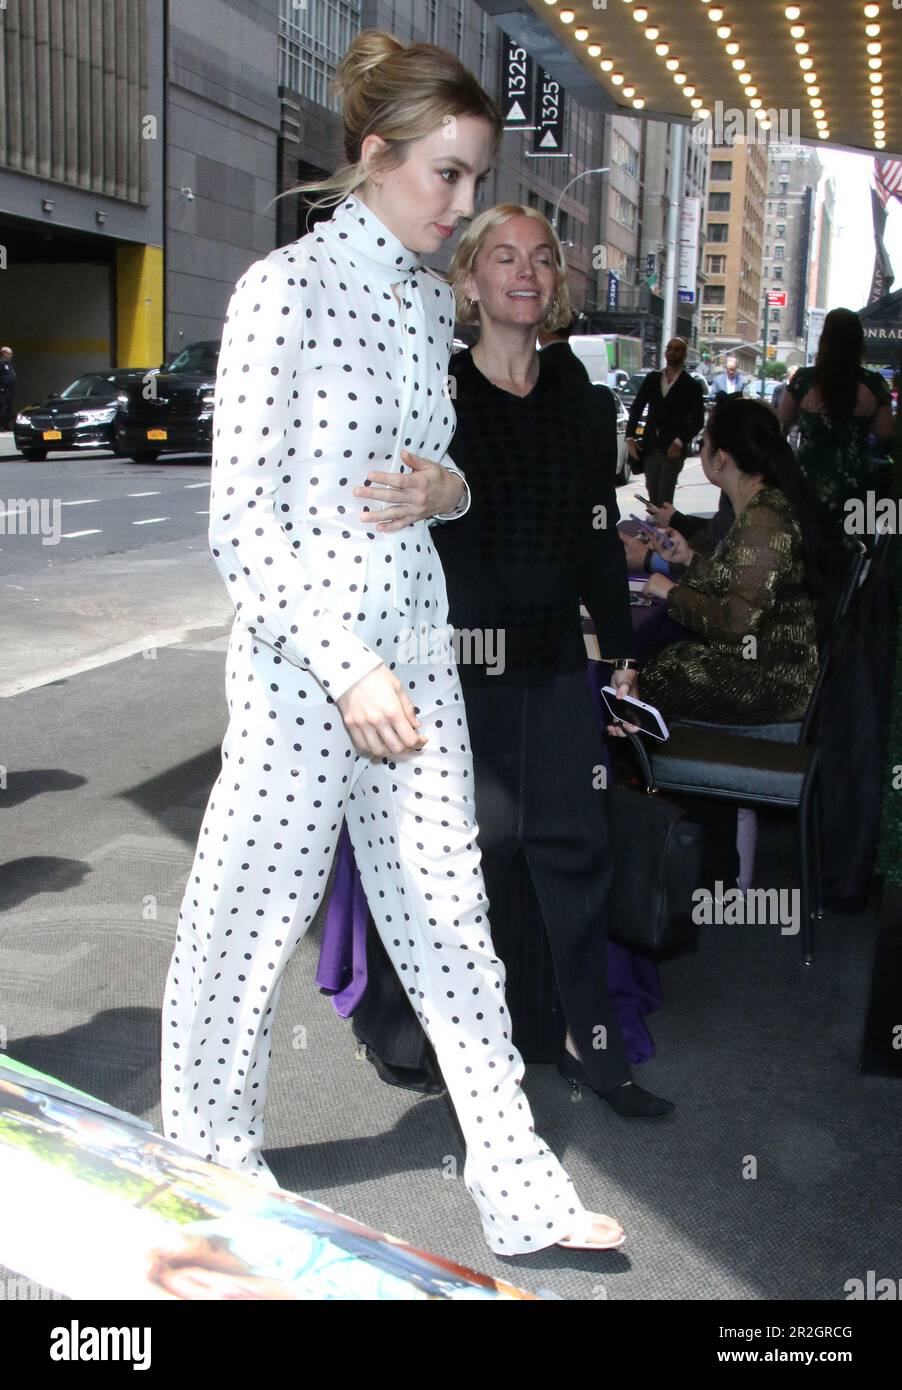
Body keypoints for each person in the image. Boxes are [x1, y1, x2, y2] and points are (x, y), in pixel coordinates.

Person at [160, 30, 625, 1256]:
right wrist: (343, 661)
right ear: (374, 160)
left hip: (417, 646)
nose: (463, 206)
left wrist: (447, 493)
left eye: (474, 178)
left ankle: (515, 1190)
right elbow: (239, 524)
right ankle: (207, 1159)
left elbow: (445, 476)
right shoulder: (281, 291)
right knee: (244, 921)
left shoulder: (428, 306)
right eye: (448, 177)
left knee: (452, 924)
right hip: (305, 665)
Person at [352, 204, 673, 1121]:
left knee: (577, 854)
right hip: (449, 668)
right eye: (504, 257)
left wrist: (617, 657)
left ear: (557, 282)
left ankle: (587, 1045)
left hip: (549, 663)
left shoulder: (583, 400)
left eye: (541, 259)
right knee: (468, 861)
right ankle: (434, 1043)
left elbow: (597, 540)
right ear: (470, 281)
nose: (525, 273)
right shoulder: (436, 391)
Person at [639, 396, 819, 726]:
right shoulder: (761, 505)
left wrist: (670, 591)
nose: (702, 448)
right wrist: (689, 559)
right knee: (658, 657)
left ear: (721, 459)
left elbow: (736, 625)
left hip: (773, 681)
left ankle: (636, 770)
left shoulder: (763, 519)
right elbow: (744, 587)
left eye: (704, 441)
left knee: (643, 676)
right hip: (768, 664)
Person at [777, 307, 894, 533]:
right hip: (856, 476)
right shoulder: (874, 384)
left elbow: (784, 416)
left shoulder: (804, 379)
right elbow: (884, 431)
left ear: (825, 340)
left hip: (809, 473)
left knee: (807, 538)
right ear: (859, 342)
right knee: (854, 542)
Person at [625, 338, 705, 506]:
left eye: (677, 349)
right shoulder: (652, 379)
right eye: (669, 348)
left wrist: (680, 442)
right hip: (650, 447)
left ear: (684, 354)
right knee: (652, 490)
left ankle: (663, 528)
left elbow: (697, 420)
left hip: (672, 450)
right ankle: (655, 528)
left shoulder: (691, 385)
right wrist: (630, 438)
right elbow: (637, 408)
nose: (672, 352)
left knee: (665, 495)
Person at [0, 347, 17, 430]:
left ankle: (7, 425)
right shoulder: (1, 363)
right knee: (2, 408)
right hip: (2, 390)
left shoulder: (8, 364)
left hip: (9, 390)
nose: (11, 355)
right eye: (10, 354)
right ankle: (1, 426)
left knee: (8, 409)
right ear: (4, 353)